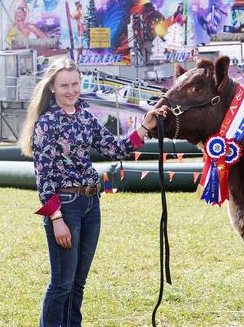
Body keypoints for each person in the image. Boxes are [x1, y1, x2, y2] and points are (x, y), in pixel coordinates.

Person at [17, 57, 167, 326]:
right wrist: (57, 219)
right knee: (61, 283)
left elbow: (117, 149)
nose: (72, 90)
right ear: (52, 87)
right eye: (65, 85)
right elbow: (43, 175)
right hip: (65, 206)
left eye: (75, 83)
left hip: (90, 204)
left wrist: (145, 127)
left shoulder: (86, 117)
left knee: (78, 283)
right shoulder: (47, 124)